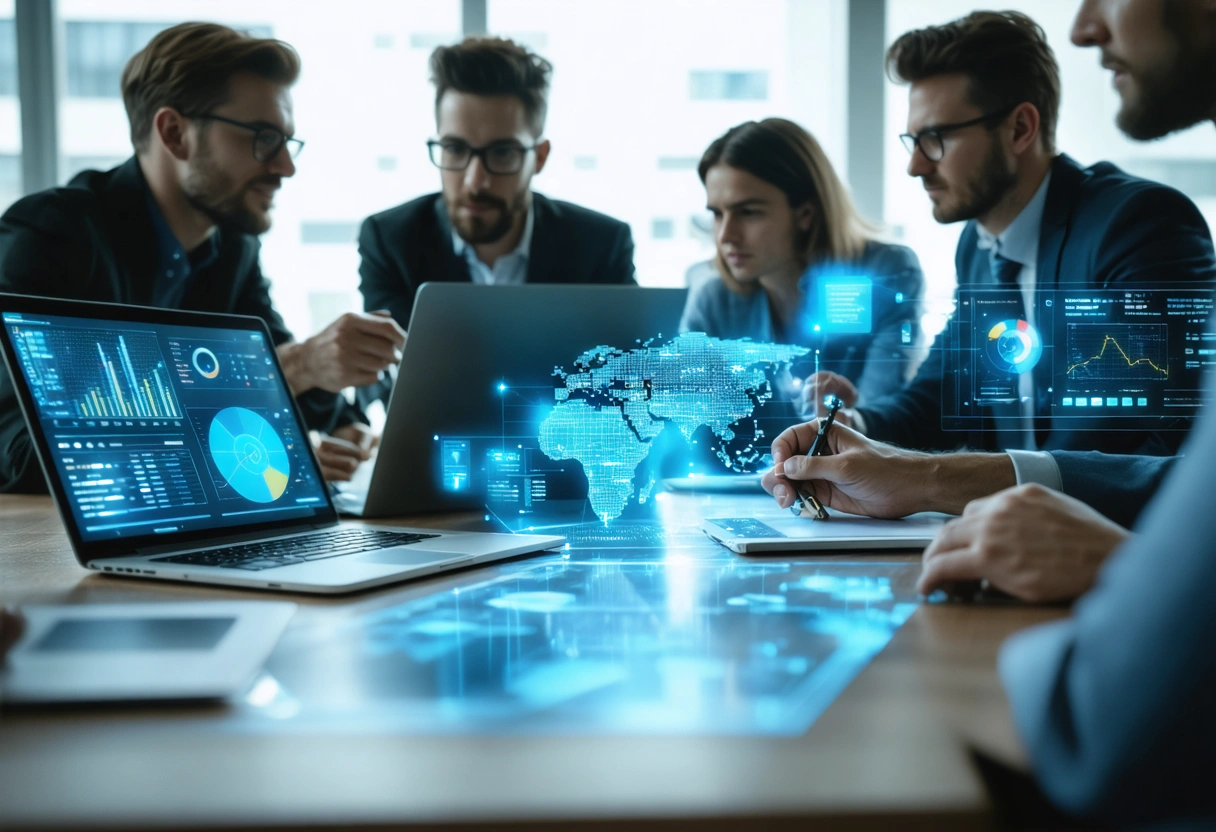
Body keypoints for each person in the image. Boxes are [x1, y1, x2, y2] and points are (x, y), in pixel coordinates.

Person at [0, 23, 404, 489]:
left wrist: (344, 424)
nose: (286, 167)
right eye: (263, 137)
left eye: (286, 142)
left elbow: (284, 367)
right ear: (175, 134)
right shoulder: (51, 236)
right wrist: (290, 375)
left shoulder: (231, 247)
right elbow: (22, 453)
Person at [806, 10, 1215, 464]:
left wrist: (989, 485)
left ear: (1020, 129)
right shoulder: (978, 246)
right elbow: (939, 394)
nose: (915, 166)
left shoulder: (1136, 227)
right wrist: (854, 423)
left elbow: (1167, 446)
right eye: (914, 141)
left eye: (936, 138)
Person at [357, 37, 637, 333]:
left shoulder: (602, 246)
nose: (475, 181)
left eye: (502, 152)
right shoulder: (390, 242)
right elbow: (386, 360)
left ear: (540, 157)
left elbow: (630, 356)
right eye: (455, 149)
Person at [680, 118, 924, 409]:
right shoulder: (714, 300)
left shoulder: (885, 273)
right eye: (717, 214)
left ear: (806, 213)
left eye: (748, 212)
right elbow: (689, 419)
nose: (725, 236)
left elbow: (879, 416)